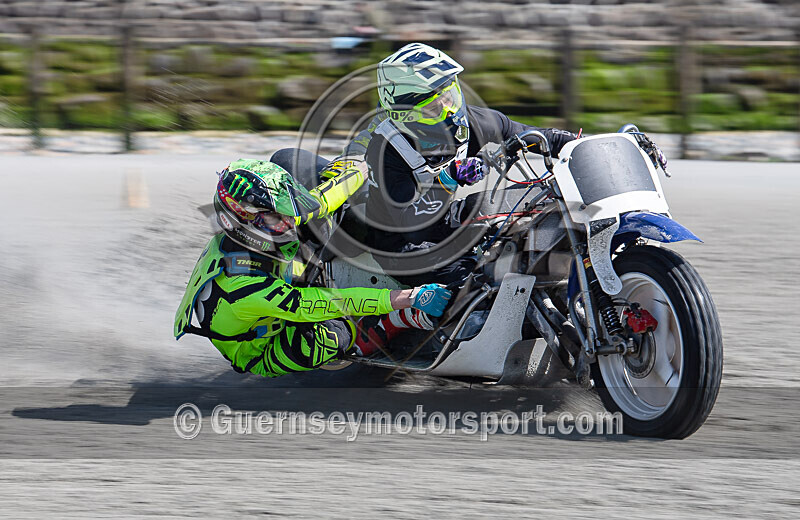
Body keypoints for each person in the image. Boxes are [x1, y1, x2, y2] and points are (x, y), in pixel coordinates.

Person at [174, 159, 451, 377]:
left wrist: (361, 169)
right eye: (275, 217)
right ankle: (385, 327)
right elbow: (322, 304)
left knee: (313, 216)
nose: (288, 221)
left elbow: (318, 202)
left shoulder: (260, 225)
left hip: (271, 288)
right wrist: (409, 298)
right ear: (244, 222)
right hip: (261, 347)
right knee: (329, 336)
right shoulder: (242, 284)